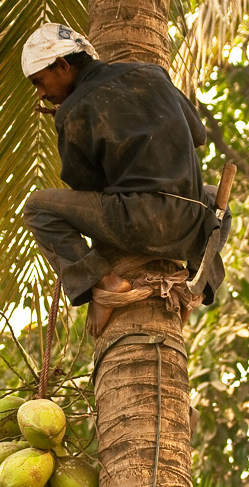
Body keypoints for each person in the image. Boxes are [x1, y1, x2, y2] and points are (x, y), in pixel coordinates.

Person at [21, 22, 231, 337]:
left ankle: (106, 284)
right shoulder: (153, 74)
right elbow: (198, 134)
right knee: (219, 203)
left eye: (40, 82)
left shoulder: (73, 110)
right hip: (189, 219)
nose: (42, 93)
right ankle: (197, 283)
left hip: (136, 222)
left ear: (63, 65)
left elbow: (87, 186)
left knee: (38, 207)